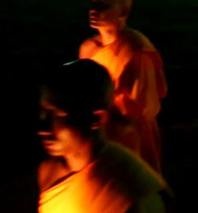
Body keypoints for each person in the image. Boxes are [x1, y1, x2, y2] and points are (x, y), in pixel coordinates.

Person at [38, 59, 171, 213]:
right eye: (43, 113)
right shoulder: (49, 172)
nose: (43, 128)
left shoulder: (130, 192)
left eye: (58, 115)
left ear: (96, 119)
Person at [79, 0, 168, 174]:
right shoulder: (88, 49)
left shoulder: (135, 52)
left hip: (131, 138)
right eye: (93, 4)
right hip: (98, 134)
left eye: (103, 6)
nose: (94, 11)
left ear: (123, 11)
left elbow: (142, 109)